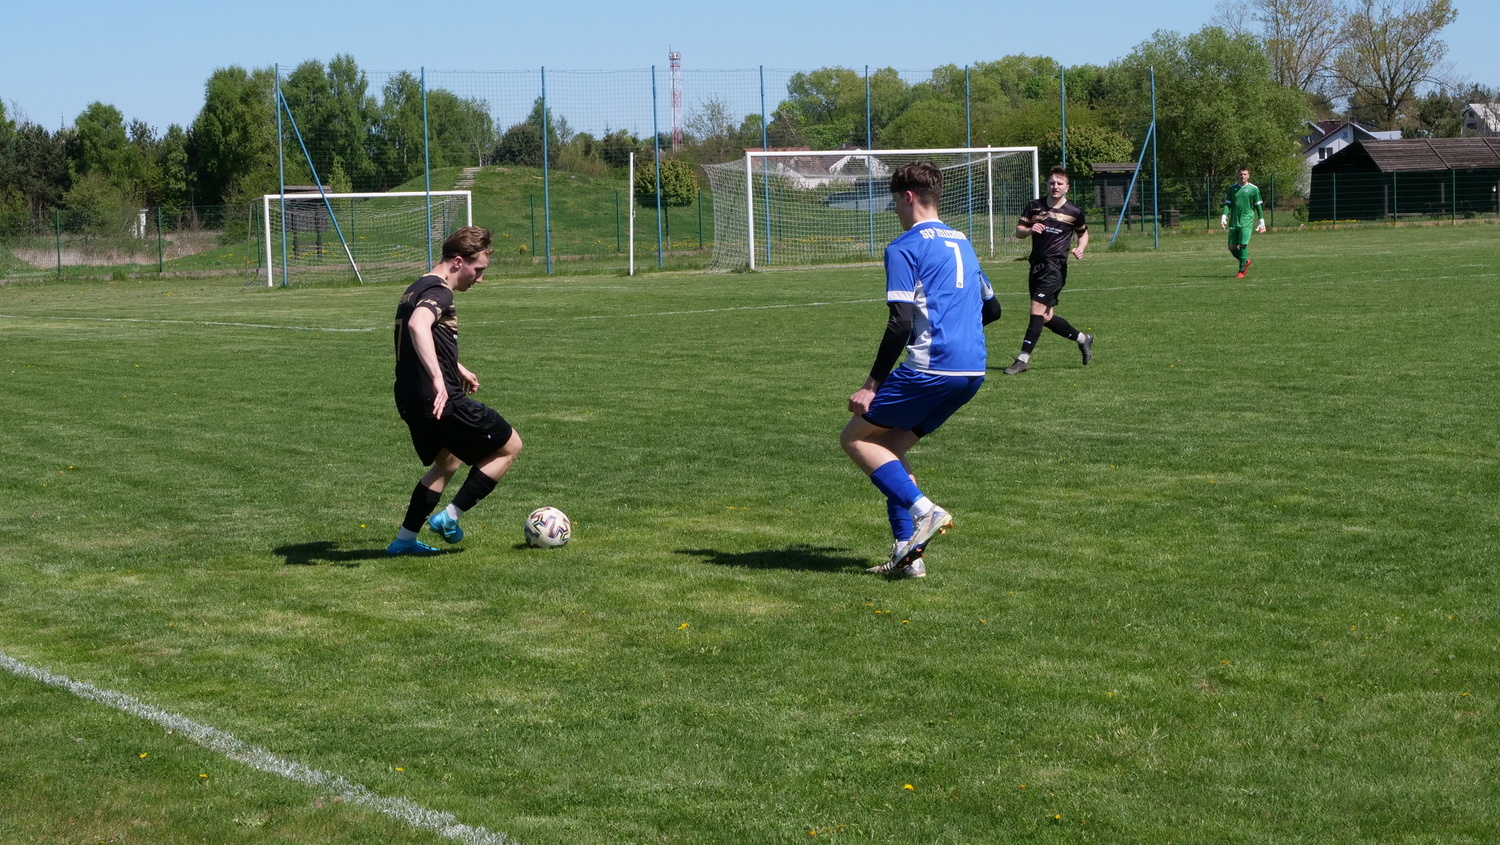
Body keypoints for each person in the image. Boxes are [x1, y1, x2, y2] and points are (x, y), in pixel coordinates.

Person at [840, 162, 1002, 578]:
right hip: (972, 371)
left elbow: (900, 323)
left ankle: (925, 511)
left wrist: (871, 385)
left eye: (895, 201)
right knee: (889, 448)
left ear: (908, 197)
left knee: (855, 438)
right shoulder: (963, 242)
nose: (895, 209)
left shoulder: (904, 247)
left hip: (932, 368)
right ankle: (906, 554)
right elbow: (993, 309)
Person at [387, 226, 523, 555]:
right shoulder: (441, 292)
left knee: (448, 461)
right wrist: (439, 378)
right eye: (478, 270)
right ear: (459, 262)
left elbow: (419, 338)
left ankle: (404, 541)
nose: (480, 279)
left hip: (409, 398)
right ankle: (450, 517)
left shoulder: (414, 288)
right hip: (440, 397)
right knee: (510, 447)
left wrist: (455, 366)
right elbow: (418, 325)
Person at [1003, 165, 1092, 375]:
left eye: (1060, 183)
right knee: (1044, 317)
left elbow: (1083, 233)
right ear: (1047, 185)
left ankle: (1022, 359)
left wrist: (1080, 248)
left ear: (1067, 187)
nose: (1055, 186)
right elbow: (1019, 231)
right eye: (1052, 182)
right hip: (1036, 265)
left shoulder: (1074, 211)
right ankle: (1083, 339)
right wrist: (1029, 229)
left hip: (1055, 268)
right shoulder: (1035, 206)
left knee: (1036, 309)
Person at [1221, 166, 1266, 278]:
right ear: (1238, 175)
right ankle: (1245, 261)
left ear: (1248, 175)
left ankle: (1241, 270)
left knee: (1243, 245)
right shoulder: (1232, 189)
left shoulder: (1253, 189)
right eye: (1241, 174)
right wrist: (1224, 215)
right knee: (1231, 247)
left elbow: (1258, 206)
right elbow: (1228, 204)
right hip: (1234, 221)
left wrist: (1261, 220)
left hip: (1247, 220)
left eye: (1245, 174)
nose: (1243, 176)